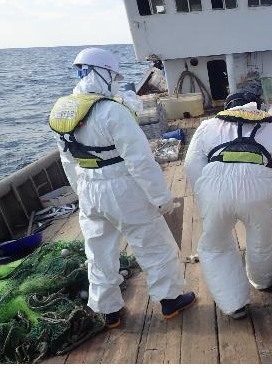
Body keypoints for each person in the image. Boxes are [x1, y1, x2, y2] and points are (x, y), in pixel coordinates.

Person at [49, 47, 195, 328]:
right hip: (121, 186)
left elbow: (67, 160)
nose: (115, 80)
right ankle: (170, 300)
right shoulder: (113, 111)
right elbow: (140, 160)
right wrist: (161, 197)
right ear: (103, 73)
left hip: (88, 186)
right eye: (113, 75)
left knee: (99, 252)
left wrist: (82, 193)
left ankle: (109, 311)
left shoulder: (63, 111)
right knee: (152, 243)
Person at [184, 88, 272, 320]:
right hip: (259, 188)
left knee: (215, 246)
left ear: (227, 107)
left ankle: (234, 305)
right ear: (257, 108)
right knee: (262, 241)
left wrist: (203, 196)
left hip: (214, 187)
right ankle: (261, 282)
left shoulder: (207, 127)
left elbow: (191, 164)